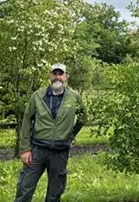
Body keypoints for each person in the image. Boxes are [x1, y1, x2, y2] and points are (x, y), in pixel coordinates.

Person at [14, 63, 87, 202]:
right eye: (55, 74)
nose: (57, 77)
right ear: (50, 76)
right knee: (24, 189)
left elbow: (83, 117)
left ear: (65, 77)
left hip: (60, 152)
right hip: (37, 151)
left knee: (55, 193)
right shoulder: (38, 96)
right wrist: (24, 149)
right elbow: (27, 120)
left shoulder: (74, 97)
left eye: (61, 74)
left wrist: (70, 136)